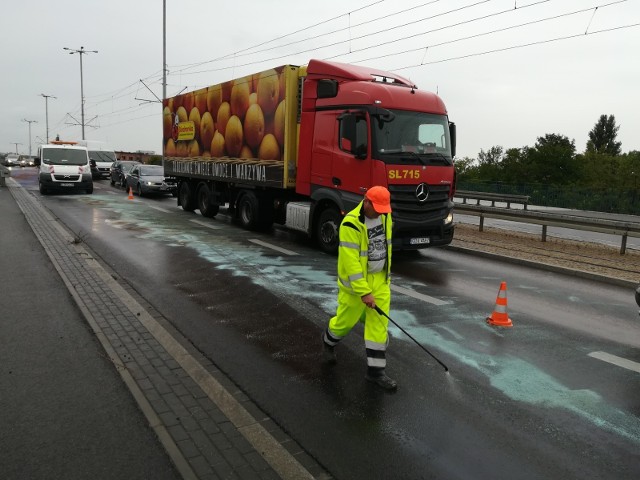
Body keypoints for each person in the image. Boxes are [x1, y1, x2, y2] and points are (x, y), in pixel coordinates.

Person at [321, 186, 396, 391]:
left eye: (384, 209)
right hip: (355, 288)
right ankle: (328, 340)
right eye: (377, 208)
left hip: (380, 280)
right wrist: (364, 291)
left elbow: (386, 245)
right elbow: (351, 263)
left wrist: (384, 278)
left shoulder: (385, 217)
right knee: (344, 323)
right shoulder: (351, 224)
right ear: (366, 201)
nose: (381, 212)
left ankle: (376, 373)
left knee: (378, 324)